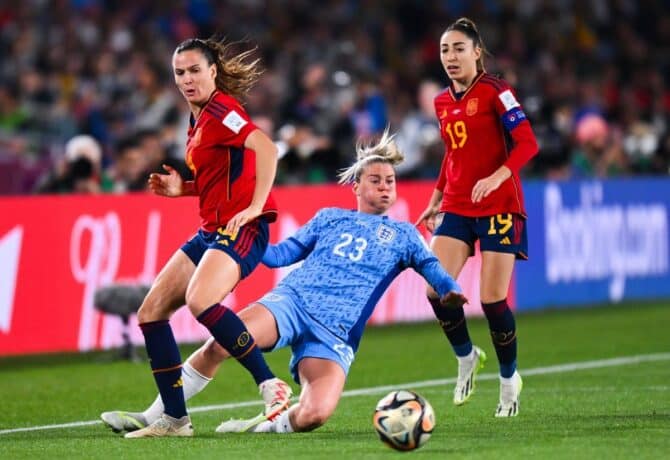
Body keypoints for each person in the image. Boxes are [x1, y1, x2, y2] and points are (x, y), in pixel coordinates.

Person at [100, 130, 467, 435]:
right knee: (220, 345)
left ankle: (266, 427)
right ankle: (159, 414)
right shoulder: (329, 218)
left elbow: (431, 266)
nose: (385, 187)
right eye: (376, 180)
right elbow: (282, 254)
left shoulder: (404, 234)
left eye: (390, 181)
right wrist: (243, 242)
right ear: (356, 186)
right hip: (290, 304)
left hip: (335, 334)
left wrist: (449, 288)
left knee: (315, 415)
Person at [104, 37, 292, 438]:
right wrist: (183, 190)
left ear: (212, 71)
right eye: (179, 73)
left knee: (200, 300)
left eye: (194, 71)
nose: (187, 79)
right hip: (211, 230)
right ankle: (175, 419)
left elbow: (267, 149)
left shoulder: (223, 110)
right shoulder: (199, 119)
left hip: (242, 230)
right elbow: (220, 178)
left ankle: (269, 384)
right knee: (151, 311)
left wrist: (257, 206)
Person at [415, 18, 539, 418]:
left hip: (500, 204)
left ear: (476, 52)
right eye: (444, 50)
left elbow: (527, 143)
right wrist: (436, 198)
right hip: (457, 204)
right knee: (436, 291)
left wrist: (498, 176)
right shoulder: (441, 101)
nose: (450, 57)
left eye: (458, 49)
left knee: (491, 299)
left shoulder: (496, 91)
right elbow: (453, 153)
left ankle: (508, 380)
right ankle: (467, 356)